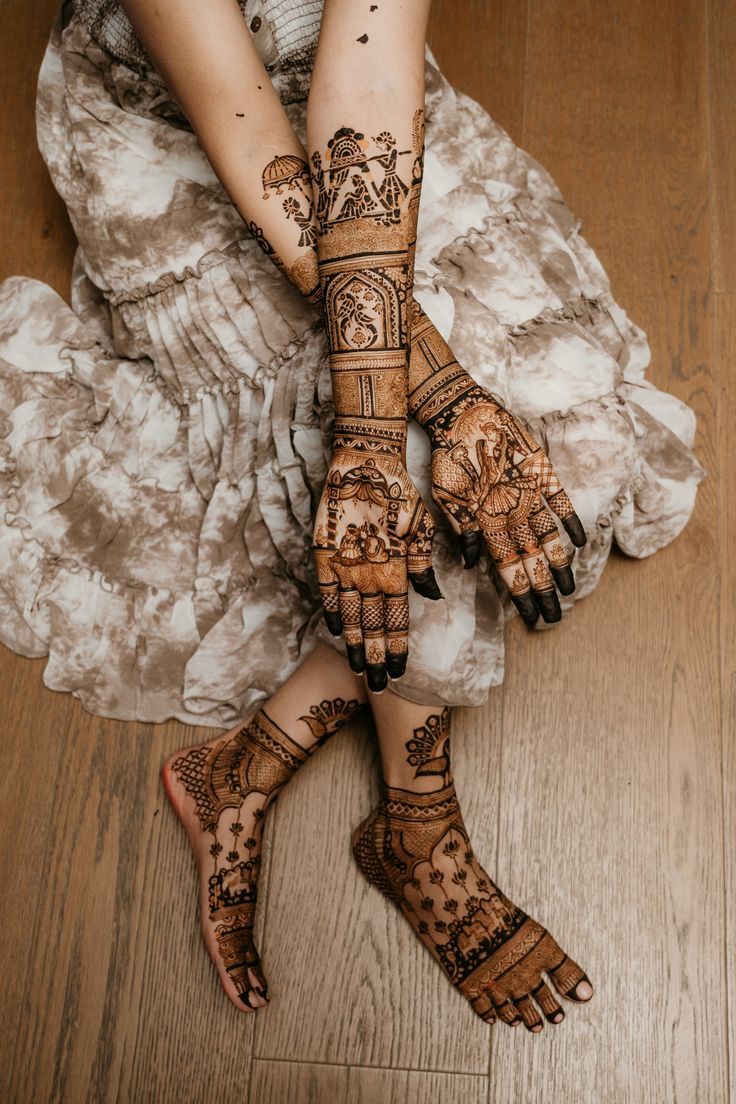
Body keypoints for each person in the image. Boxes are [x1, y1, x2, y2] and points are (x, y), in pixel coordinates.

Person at [0, 0, 704, 1028]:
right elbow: (252, 143)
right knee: (415, 464)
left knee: (553, 468)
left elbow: (369, 87)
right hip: (186, 126)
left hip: (344, 94)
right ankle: (419, 828)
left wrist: (448, 411)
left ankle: (247, 762)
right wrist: (393, 427)